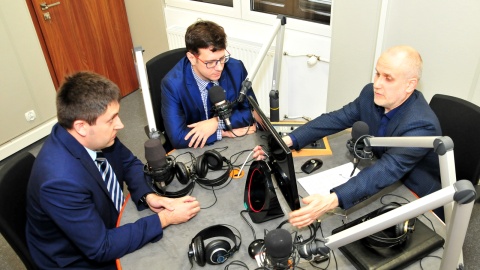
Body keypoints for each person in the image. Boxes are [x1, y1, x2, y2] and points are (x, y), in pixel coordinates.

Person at [253, 45, 443, 227]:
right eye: (377, 73)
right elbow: (336, 118)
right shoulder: (371, 94)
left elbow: (387, 170)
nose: (377, 84)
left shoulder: (421, 124)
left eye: (388, 78)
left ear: (410, 85)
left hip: (415, 193)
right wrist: (286, 141)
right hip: (381, 175)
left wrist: (332, 200)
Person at [26, 72, 200, 269]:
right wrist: (165, 218)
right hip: (79, 260)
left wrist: (149, 196)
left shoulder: (93, 134)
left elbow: (128, 163)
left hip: (105, 223)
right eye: (111, 119)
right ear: (81, 126)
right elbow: (101, 247)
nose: (121, 125)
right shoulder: (60, 182)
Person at [161, 20, 257, 149]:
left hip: (234, 146)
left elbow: (253, 113)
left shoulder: (236, 69)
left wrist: (217, 123)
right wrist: (223, 133)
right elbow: (177, 138)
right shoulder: (172, 85)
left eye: (222, 58)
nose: (219, 68)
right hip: (195, 151)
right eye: (210, 62)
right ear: (192, 58)